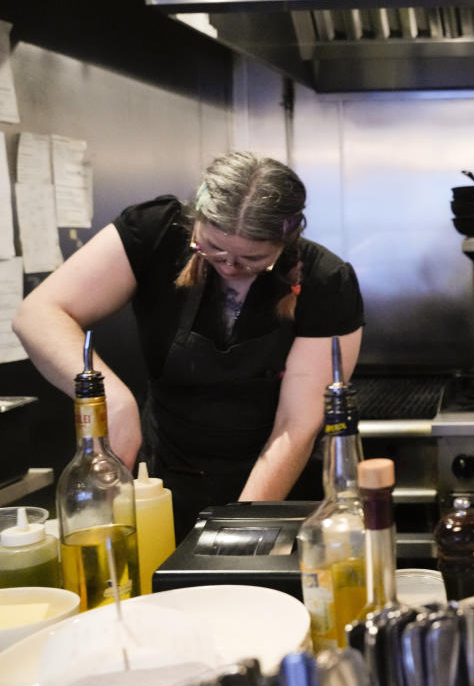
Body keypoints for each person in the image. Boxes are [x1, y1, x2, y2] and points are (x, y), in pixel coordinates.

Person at [14, 152, 365, 540]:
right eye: (212, 248)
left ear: (287, 240)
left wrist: (238, 530)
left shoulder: (326, 281)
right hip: (163, 485)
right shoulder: (157, 231)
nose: (229, 266)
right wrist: (112, 399)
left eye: (252, 259)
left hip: (277, 496)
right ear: (197, 218)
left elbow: (295, 427)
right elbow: (37, 315)